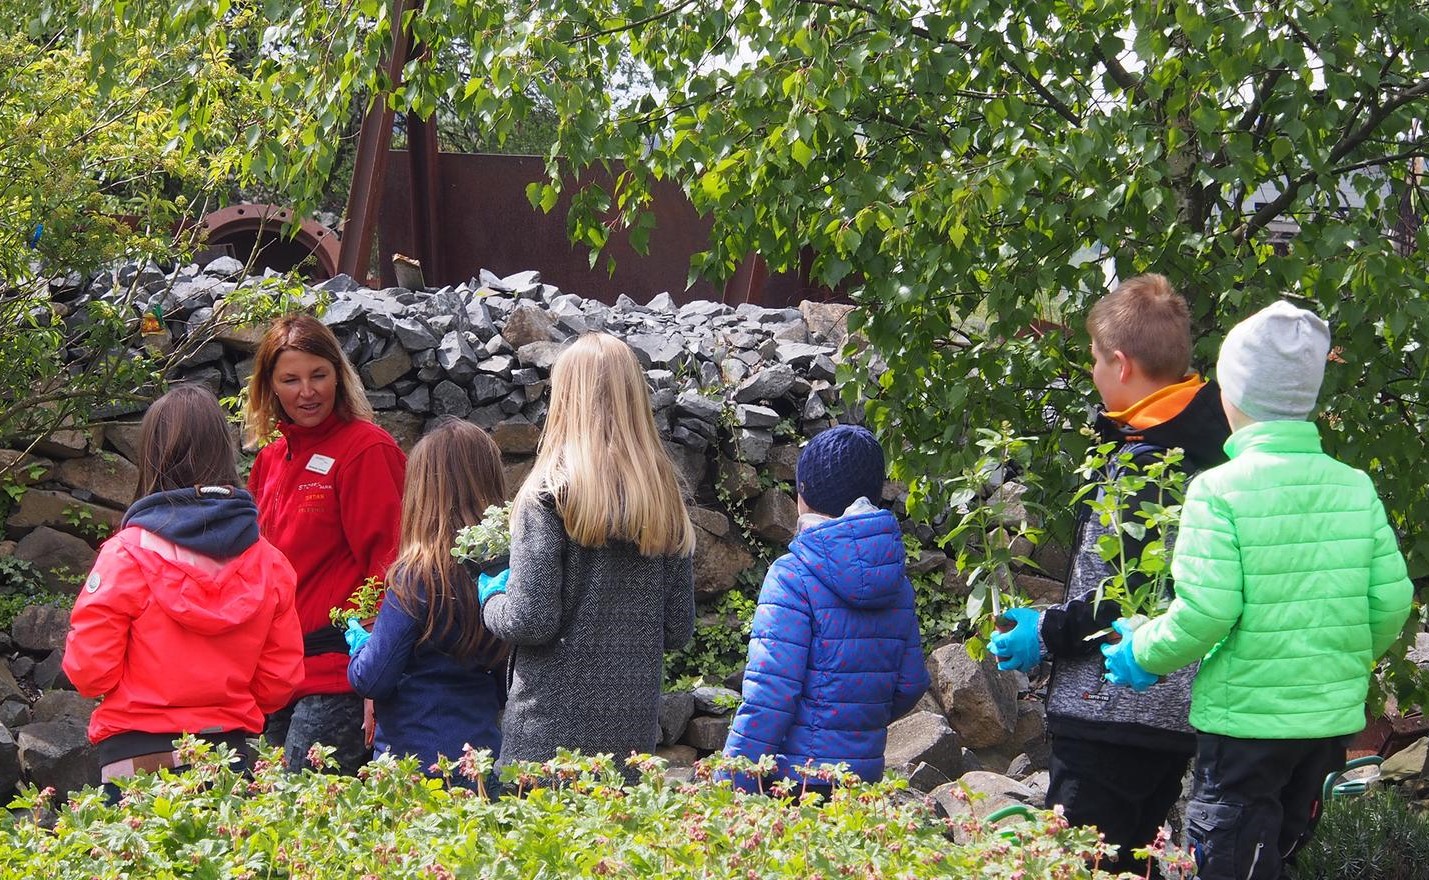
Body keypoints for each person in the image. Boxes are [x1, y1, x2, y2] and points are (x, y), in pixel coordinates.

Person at [1102, 300, 1414, 880]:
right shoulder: (1354, 486)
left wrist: (1141, 651)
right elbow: (1393, 600)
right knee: (1282, 856)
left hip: (1244, 726)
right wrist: (1333, 658)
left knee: (1230, 858)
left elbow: (1207, 611)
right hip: (1323, 728)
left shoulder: (1217, 491)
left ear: (1232, 394)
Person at [988, 274, 1231, 876]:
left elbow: (1123, 595)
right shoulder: (1201, 448)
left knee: (1081, 865)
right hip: (1164, 716)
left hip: (1110, 716)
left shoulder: (1149, 462)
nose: (1092, 372)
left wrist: (1043, 633)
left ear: (1120, 364)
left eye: (1095, 359)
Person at [62, 385, 303, 799]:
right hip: (229, 757)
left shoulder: (125, 555)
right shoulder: (270, 562)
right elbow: (278, 682)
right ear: (224, 451)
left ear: (152, 457)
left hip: (135, 756)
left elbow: (90, 672)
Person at [478, 332, 695, 783]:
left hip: (544, 740)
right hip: (626, 746)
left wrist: (490, 601)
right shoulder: (664, 503)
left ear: (566, 400)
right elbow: (677, 629)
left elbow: (531, 619)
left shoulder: (548, 496)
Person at [722, 424, 929, 798]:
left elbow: (771, 693)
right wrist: (856, 725)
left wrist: (731, 782)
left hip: (791, 784)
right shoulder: (896, 583)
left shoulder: (792, 575)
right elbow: (911, 683)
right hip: (859, 784)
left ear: (802, 494)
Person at [244, 313, 406, 774]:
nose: (307, 391)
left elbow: (390, 565)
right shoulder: (271, 459)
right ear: (270, 387)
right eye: (291, 379)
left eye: (319, 374)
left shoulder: (365, 450)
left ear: (339, 374)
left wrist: (376, 675)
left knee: (306, 817)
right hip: (274, 675)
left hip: (337, 673)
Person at [346, 419, 508, 786]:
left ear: (421, 493)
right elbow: (505, 684)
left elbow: (374, 678)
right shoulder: (500, 573)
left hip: (412, 768)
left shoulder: (414, 577)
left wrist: (359, 646)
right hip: (480, 760)